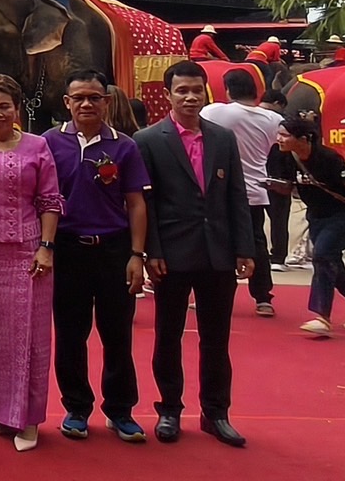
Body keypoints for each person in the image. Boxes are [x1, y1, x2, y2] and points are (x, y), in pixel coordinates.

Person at [135, 60, 255, 447]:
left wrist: (245, 248)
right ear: (167, 95)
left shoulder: (223, 138)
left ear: (206, 93)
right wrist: (151, 250)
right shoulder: (148, 140)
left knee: (216, 340)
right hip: (171, 254)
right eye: (182, 91)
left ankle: (216, 413)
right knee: (168, 337)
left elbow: (237, 195)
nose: (190, 97)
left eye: (196, 90)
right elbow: (145, 203)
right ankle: (169, 409)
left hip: (219, 253)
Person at [42, 68, 150, 444]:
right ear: (66, 102)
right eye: (79, 98)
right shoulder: (49, 143)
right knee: (71, 335)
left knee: (117, 335)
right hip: (67, 251)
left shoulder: (124, 146)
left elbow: (136, 203)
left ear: (106, 101)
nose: (86, 104)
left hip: (114, 251)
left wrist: (137, 254)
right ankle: (76, 408)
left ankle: (120, 411)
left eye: (94, 98)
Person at [0, 74, 62, 452]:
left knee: (31, 339)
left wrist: (46, 247)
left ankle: (29, 419)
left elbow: (49, 200)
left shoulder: (38, 146)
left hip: (30, 252)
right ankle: (2, 413)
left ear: (17, 108)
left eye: (5, 106)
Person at [269, 117, 345, 336]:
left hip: (344, 215)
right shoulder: (283, 156)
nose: (279, 139)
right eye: (279, 134)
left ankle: (322, 317)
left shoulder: (328, 158)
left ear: (303, 139)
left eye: (285, 135)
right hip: (316, 216)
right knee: (331, 261)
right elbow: (287, 186)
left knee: (322, 254)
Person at [200, 69, 282, 317]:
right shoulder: (272, 119)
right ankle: (263, 297)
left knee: (217, 242)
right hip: (256, 190)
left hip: (221, 190)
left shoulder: (214, 112)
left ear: (227, 90)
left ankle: (216, 294)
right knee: (256, 242)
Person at [258, 89, 293, 269]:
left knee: (253, 220)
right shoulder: (283, 121)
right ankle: (278, 257)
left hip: (253, 176)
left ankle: (256, 254)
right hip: (278, 176)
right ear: (278, 103)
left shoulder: (247, 118)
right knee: (279, 220)